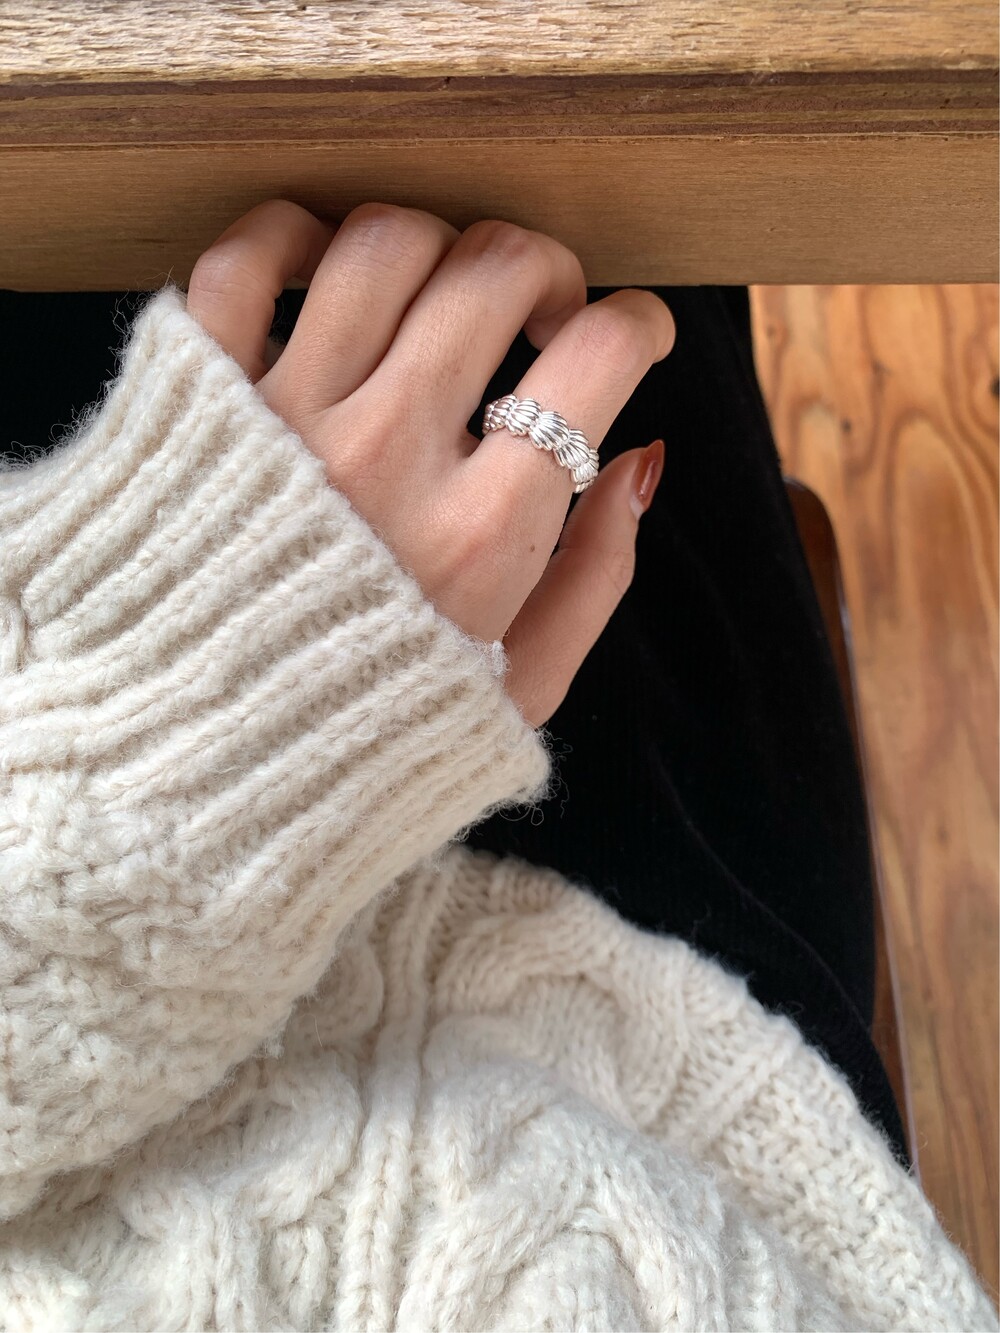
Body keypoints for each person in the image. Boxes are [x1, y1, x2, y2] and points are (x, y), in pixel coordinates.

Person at [0, 198, 994, 1332]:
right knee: (616, 241)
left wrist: (172, 720)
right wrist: (233, 712)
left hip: (71, 788)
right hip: (644, 1036)